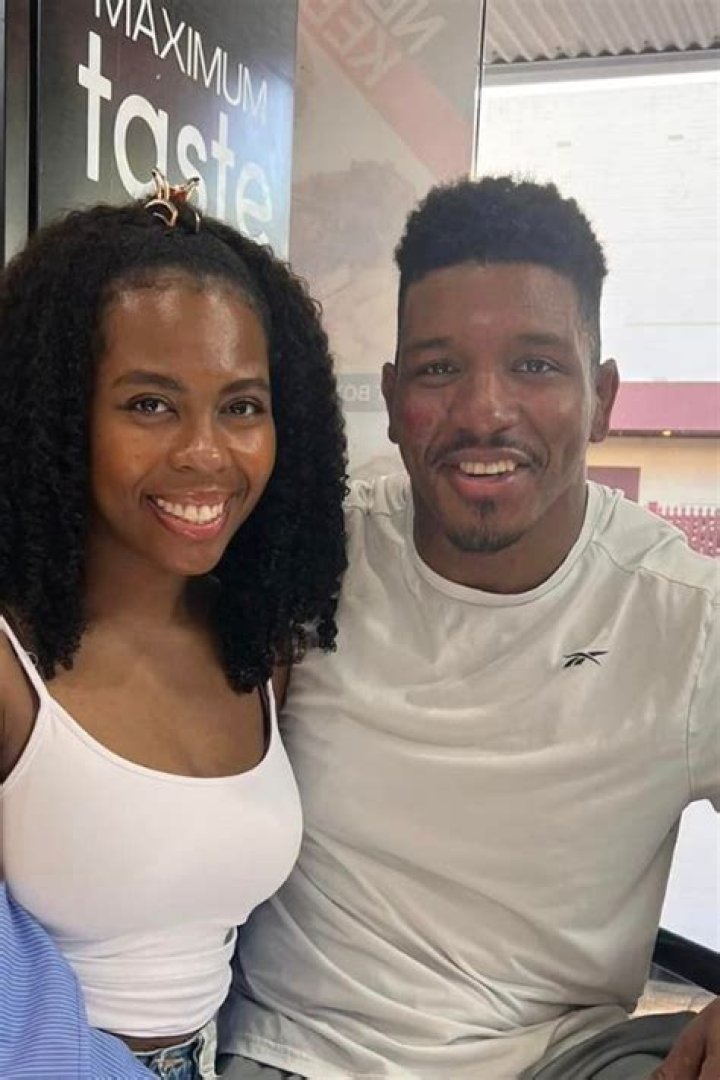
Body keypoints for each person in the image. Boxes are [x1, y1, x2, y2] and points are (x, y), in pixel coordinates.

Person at [218, 176, 719, 1079]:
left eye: (536, 365)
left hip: (563, 1062)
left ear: (603, 398)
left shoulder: (685, 618)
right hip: (293, 1055)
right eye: (440, 369)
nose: (486, 411)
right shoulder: (310, 556)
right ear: (392, 396)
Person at [0, 177, 347, 1079]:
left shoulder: (259, 649)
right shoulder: (9, 666)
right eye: (150, 404)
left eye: (241, 406)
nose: (204, 453)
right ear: (59, 416)